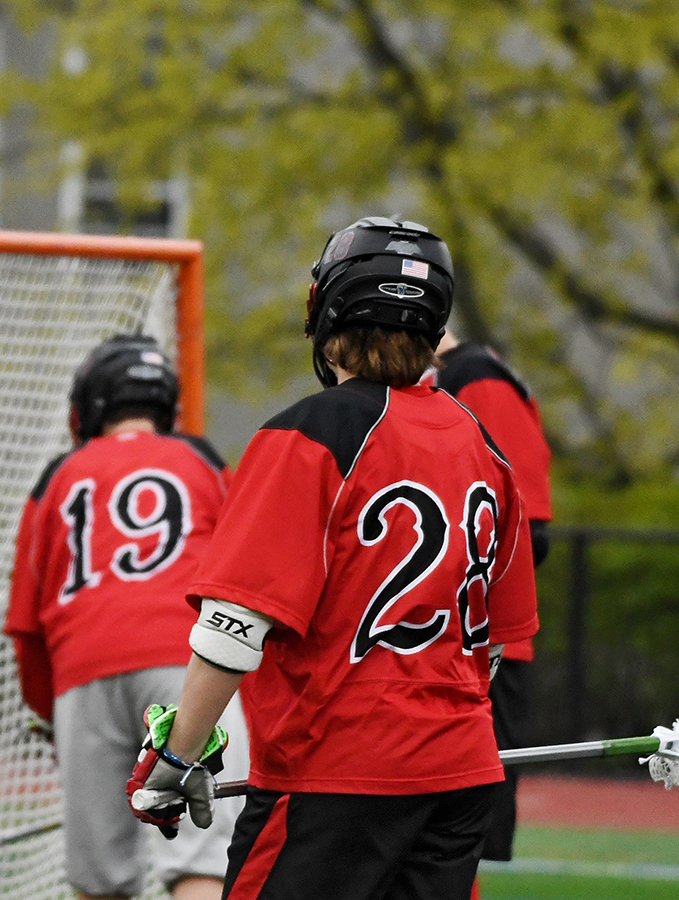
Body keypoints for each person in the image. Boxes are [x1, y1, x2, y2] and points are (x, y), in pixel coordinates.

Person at [125, 217, 539, 899]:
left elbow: (234, 627)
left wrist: (176, 756)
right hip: (462, 774)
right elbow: (496, 641)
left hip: (336, 770)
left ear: (328, 310)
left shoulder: (311, 431)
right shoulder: (484, 446)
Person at [4, 335, 249, 900]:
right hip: (188, 666)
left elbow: (26, 625)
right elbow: (241, 580)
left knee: (100, 880)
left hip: (82, 672)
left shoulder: (58, 476)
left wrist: (50, 713)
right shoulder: (202, 459)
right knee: (199, 861)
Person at [427, 330, 553, 878]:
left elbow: (529, 527)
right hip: (435, 647)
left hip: (477, 649)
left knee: (453, 840)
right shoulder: (436, 386)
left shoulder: (477, 378)